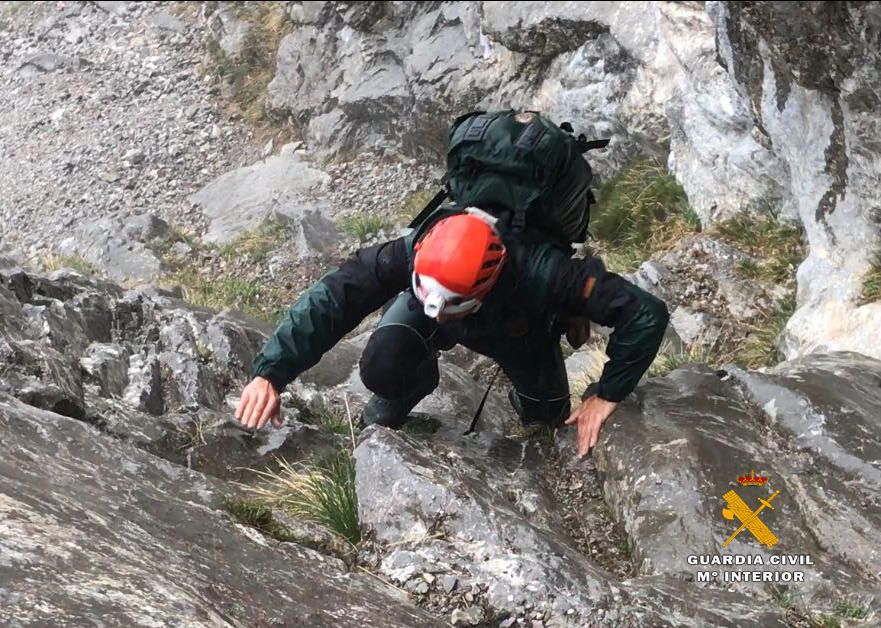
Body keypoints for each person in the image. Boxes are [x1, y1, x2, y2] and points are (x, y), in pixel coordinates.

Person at [235, 110, 670, 458]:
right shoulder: (415, 248)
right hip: (486, 305)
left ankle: (535, 395)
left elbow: (646, 313)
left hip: (518, 323)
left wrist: (605, 395)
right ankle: (403, 392)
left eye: (452, 306)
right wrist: (270, 374)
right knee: (383, 363)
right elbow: (334, 298)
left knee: (545, 419)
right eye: (432, 300)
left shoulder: (545, 271)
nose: (440, 313)